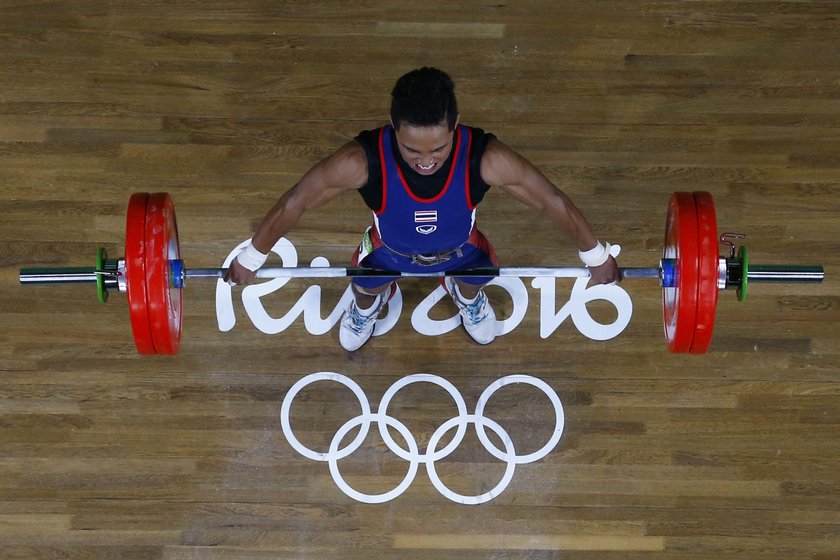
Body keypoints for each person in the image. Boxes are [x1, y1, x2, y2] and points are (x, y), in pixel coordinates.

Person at [225, 67, 620, 351]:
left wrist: (595, 254)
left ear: (456, 126)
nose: (426, 160)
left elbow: (551, 200)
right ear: (393, 127)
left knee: (474, 280)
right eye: (412, 149)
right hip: (387, 253)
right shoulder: (361, 161)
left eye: (438, 147)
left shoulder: (485, 157)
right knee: (364, 289)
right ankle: (368, 308)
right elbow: (297, 201)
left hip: (463, 252)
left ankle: (465, 298)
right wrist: (253, 254)